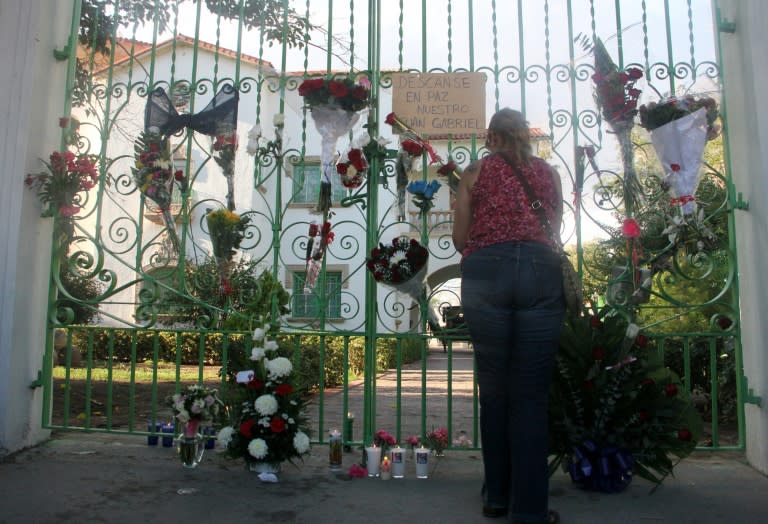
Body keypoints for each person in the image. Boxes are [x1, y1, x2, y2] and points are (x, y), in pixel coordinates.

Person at [452, 108, 564, 524]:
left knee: (495, 389)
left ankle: (497, 496)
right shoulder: (549, 174)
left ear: (492, 137)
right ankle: (531, 509)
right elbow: (553, 227)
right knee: (531, 395)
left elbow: (461, 237)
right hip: (539, 272)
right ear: (525, 137)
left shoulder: (475, 172)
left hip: (486, 275)